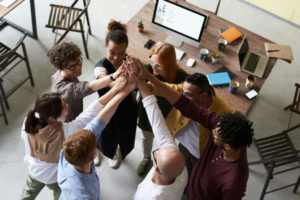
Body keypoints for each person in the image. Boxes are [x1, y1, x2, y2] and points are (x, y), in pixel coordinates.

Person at [132, 60, 254, 200]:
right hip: (193, 182)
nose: (212, 131)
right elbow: (187, 106)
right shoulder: (222, 124)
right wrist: (147, 78)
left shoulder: (234, 182)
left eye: (215, 134)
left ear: (226, 146)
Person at [20, 78, 125, 200]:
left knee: (28, 193)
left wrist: (115, 85)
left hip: (33, 169)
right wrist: (117, 89)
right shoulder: (66, 133)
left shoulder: (28, 122)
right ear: (53, 118)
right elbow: (91, 113)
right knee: (60, 194)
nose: (67, 105)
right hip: (53, 176)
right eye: (64, 107)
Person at [58, 80, 134, 200]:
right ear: (94, 156)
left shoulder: (67, 153)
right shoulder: (85, 195)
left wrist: (124, 92)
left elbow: (99, 120)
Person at [48, 42, 121, 166]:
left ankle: (103, 151)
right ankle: (95, 150)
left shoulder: (60, 74)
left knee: (93, 131)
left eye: (78, 61)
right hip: (70, 123)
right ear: (61, 67)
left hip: (76, 114)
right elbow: (85, 88)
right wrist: (113, 77)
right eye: (72, 66)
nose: (78, 66)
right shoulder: (63, 89)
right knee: (91, 133)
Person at [152, 73, 234, 180]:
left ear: (203, 95)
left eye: (187, 95)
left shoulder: (225, 113)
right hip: (183, 145)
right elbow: (169, 88)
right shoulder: (187, 88)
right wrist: (147, 85)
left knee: (195, 176)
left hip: (200, 155)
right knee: (183, 171)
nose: (181, 97)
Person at [133, 67, 187, 200]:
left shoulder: (152, 197)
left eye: (155, 155)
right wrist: (141, 83)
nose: (156, 152)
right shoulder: (181, 170)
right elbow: (158, 122)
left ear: (155, 167)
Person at [137, 42, 188, 175]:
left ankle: (162, 165)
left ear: (169, 65)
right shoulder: (147, 69)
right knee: (146, 138)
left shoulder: (183, 79)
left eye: (158, 65)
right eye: (151, 61)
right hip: (147, 115)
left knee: (165, 145)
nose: (153, 68)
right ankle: (146, 157)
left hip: (169, 119)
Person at [93, 20, 138, 169]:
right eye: (112, 52)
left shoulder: (130, 62)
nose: (117, 57)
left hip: (126, 108)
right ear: (106, 47)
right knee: (105, 134)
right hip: (108, 107)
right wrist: (124, 84)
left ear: (126, 50)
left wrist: (133, 95)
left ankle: (116, 153)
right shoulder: (100, 67)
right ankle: (101, 152)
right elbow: (106, 81)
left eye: (121, 53)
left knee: (125, 134)